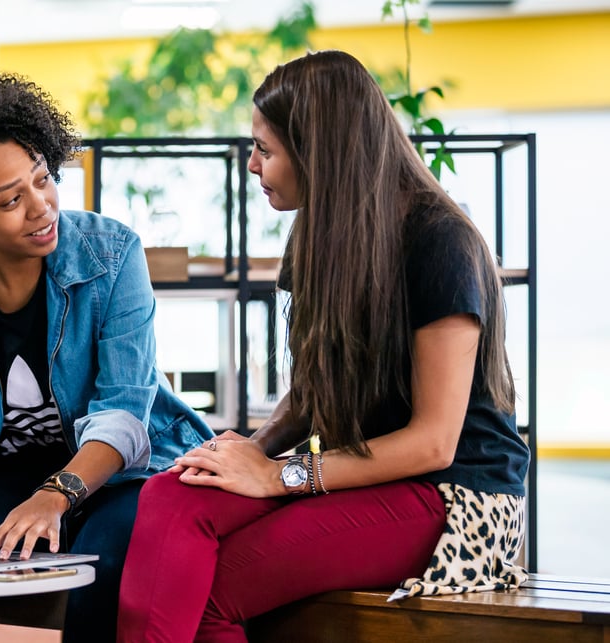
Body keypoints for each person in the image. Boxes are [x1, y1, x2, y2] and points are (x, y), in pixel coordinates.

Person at [117, 49, 531, 642]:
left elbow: (434, 443)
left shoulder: (442, 242)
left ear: (320, 153)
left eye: (266, 149)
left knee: (216, 588)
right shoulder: (319, 233)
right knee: (172, 494)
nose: (253, 165)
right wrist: (245, 456)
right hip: (363, 472)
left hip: (454, 498)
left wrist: (276, 477)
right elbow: (313, 391)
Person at [0, 69, 215, 643]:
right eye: (11, 199)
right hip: (10, 477)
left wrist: (54, 496)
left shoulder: (111, 255)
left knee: (106, 564)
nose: (40, 208)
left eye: (42, 180)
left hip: (120, 475)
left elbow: (124, 417)